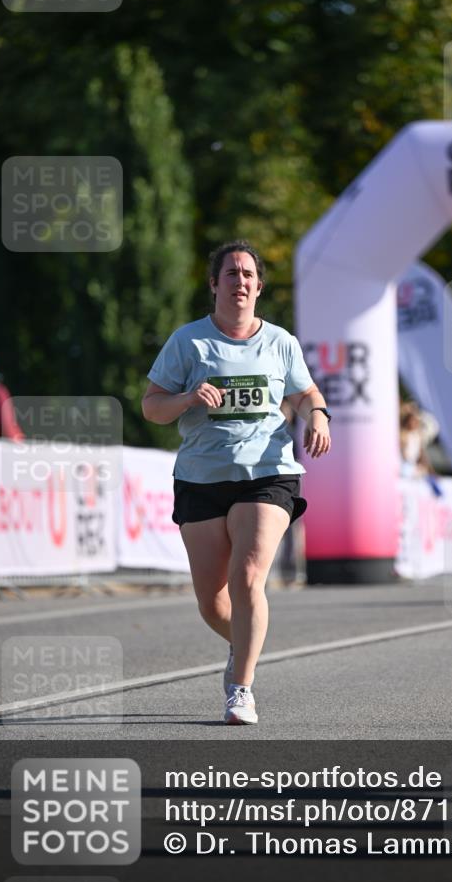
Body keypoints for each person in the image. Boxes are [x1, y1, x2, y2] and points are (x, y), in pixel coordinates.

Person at [142, 242, 331, 724]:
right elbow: (151, 406)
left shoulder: (280, 342)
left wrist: (319, 416)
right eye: (231, 273)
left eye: (248, 274)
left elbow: (306, 390)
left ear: (259, 286)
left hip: (267, 473)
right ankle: (246, 641)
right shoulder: (189, 342)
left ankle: (240, 688)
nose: (240, 281)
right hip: (202, 477)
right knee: (212, 601)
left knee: (247, 577)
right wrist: (186, 399)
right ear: (214, 284)